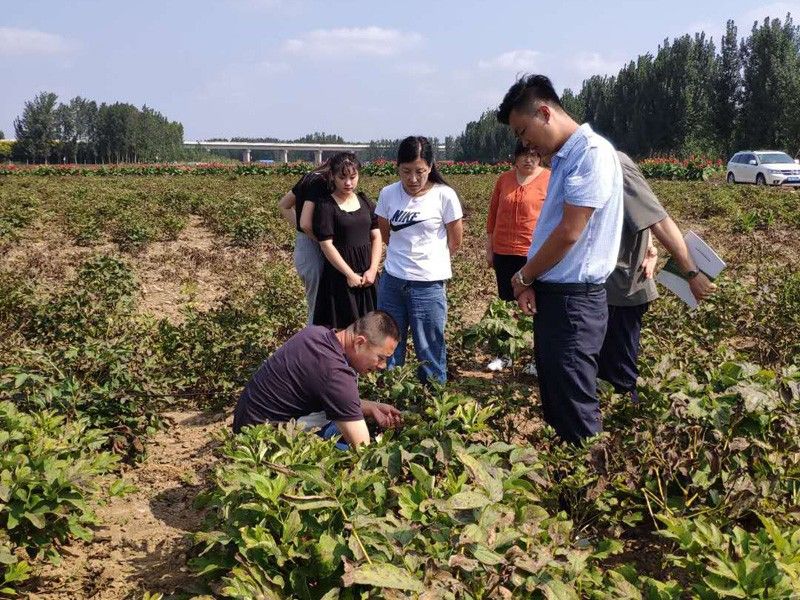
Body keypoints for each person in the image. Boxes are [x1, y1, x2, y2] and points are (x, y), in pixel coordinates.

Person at [498, 74, 623, 445]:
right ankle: (567, 484)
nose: (525, 143)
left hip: (575, 302)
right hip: (559, 297)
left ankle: (589, 491)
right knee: (555, 395)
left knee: (575, 404)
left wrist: (524, 276)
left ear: (543, 111)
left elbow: (570, 231)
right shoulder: (566, 157)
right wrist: (534, 281)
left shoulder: (591, 154)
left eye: (523, 131)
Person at [598, 151, 717, 401]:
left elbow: (657, 219)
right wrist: (651, 246)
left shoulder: (612, 163)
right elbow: (638, 216)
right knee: (602, 369)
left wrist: (692, 273)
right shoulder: (588, 163)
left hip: (623, 288)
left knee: (619, 375)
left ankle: (625, 424)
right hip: (602, 288)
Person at [232, 311, 403, 448]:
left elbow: (333, 395)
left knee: (340, 422)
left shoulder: (316, 333)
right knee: (351, 453)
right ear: (359, 342)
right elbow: (362, 448)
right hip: (262, 442)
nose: (382, 365)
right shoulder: (336, 374)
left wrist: (372, 407)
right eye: (381, 357)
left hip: (248, 422)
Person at [376, 136, 463, 384]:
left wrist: (427, 263)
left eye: (420, 172)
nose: (413, 179)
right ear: (397, 168)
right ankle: (391, 396)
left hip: (428, 285)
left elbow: (454, 242)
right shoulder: (388, 194)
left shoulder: (444, 196)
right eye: (406, 172)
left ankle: (432, 403)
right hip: (393, 282)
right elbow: (385, 234)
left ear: (431, 166)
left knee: (430, 348)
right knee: (388, 345)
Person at [485, 141, 550, 371]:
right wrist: (490, 247)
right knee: (506, 305)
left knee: (535, 306)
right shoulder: (504, 179)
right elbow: (493, 214)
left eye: (533, 155)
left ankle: (536, 359)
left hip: (533, 254)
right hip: (504, 251)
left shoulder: (548, 179)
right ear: (515, 157)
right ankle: (505, 355)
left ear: (540, 157)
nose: (528, 160)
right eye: (523, 155)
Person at [312, 153, 381, 329]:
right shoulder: (326, 205)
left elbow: (376, 236)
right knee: (343, 333)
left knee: (371, 331)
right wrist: (349, 274)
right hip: (339, 278)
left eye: (352, 177)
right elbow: (326, 244)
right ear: (333, 177)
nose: (348, 183)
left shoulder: (365, 202)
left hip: (368, 277)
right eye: (342, 178)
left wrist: (373, 269)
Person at [278, 160, 332, 323]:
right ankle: (314, 343)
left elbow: (283, 205)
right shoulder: (321, 182)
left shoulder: (308, 177)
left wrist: (301, 231)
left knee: (315, 303)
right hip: (313, 249)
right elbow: (306, 224)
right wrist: (321, 241)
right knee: (318, 308)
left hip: (304, 246)